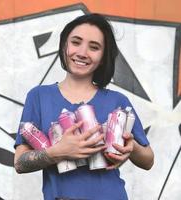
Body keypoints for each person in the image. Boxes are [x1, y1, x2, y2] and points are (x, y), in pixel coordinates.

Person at [14, 13, 154, 200]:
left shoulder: (117, 101)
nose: (82, 52)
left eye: (94, 47)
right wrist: (57, 152)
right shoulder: (39, 96)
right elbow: (19, 163)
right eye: (76, 42)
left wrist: (132, 148)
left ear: (103, 57)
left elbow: (148, 161)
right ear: (65, 46)